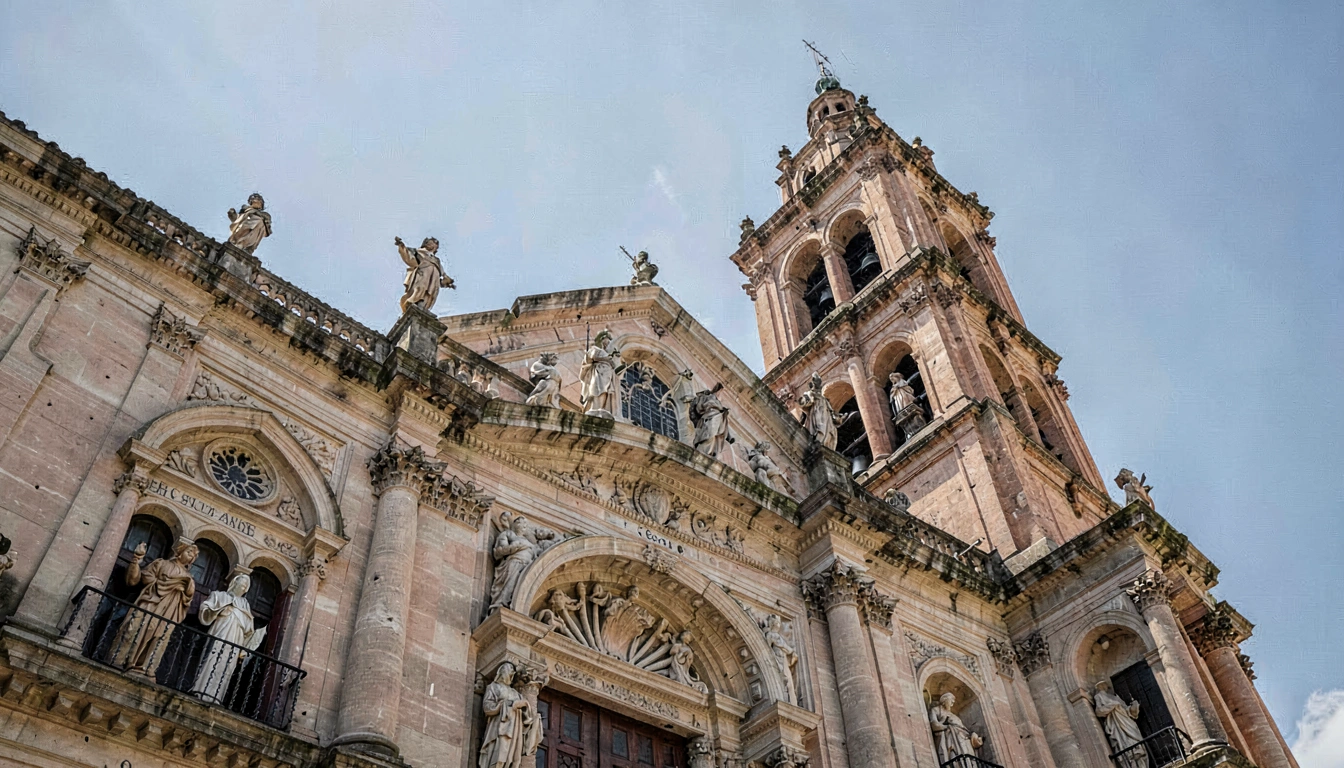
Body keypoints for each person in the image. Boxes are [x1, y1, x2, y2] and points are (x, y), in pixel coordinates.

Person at [112, 540, 198, 676]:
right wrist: (137, 561)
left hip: (169, 611)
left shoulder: (189, 578)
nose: (191, 556)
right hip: (151, 603)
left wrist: (185, 588)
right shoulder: (162, 563)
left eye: (193, 556)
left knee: (157, 636)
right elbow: (144, 578)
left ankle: (143, 667)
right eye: (189, 552)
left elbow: (188, 598)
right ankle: (119, 661)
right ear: (180, 552)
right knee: (134, 628)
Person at [191, 574, 266, 703]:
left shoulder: (245, 605)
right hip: (219, 634)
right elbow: (205, 610)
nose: (242, 588)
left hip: (235, 640)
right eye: (241, 584)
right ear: (234, 583)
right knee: (211, 659)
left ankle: (216, 697)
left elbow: (248, 626)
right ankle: (200, 690)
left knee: (227, 666)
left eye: (245, 586)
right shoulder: (220, 596)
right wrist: (221, 610)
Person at [479, 663, 541, 768]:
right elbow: (487, 707)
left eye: (512, 671)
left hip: (515, 729)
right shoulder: (493, 687)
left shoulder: (515, 693)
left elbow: (525, 716)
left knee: (513, 757)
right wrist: (511, 705)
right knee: (500, 755)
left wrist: (527, 710)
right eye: (509, 669)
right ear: (502, 672)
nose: (510, 673)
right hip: (501, 727)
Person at [395, 235, 455, 314]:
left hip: (434, 278)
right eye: (431, 242)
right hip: (423, 273)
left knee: (430, 294)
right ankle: (412, 301)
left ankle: (422, 306)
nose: (432, 245)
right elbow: (409, 257)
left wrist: (447, 281)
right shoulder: (419, 252)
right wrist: (401, 246)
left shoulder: (437, 260)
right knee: (420, 288)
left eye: (434, 244)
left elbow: (443, 273)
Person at [1094, 680, 1146, 766]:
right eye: (1101, 685)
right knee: (1123, 742)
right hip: (1116, 725)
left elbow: (1126, 710)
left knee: (1135, 739)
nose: (1103, 686)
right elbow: (1099, 711)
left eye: (1104, 684)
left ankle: (1139, 757)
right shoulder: (1098, 696)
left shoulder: (1115, 697)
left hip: (1126, 721)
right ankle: (1131, 759)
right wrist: (1113, 705)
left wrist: (1133, 708)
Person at [929, 692, 983, 763]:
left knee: (967, 753)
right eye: (951, 700)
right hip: (950, 735)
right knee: (953, 753)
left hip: (961, 737)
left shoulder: (954, 716)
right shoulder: (936, 710)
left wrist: (973, 736)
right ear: (944, 700)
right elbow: (934, 723)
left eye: (953, 702)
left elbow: (963, 728)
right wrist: (948, 727)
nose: (952, 703)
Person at [579, 330, 621, 418]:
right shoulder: (595, 349)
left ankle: (602, 408)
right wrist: (607, 360)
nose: (609, 342)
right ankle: (595, 408)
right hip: (599, 371)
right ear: (602, 339)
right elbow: (593, 357)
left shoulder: (606, 353)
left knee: (605, 389)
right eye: (607, 340)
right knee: (597, 388)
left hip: (607, 372)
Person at [687, 384, 733, 457]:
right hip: (709, 417)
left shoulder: (719, 406)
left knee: (714, 437)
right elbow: (699, 407)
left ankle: (709, 452)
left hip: (716, 418)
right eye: (721, 393)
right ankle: (702, 449)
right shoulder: (708, 397)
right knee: (709, 433)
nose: (722, 397)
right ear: (718, 391)